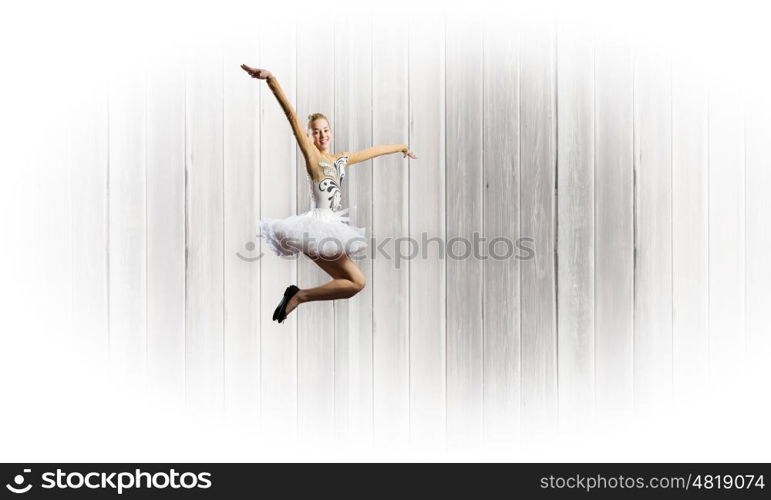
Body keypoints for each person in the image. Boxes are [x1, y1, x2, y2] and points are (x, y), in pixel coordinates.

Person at [240, 64, 417, 323]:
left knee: (351, 283)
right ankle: (298, 297)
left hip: (328, 228)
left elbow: (373, 150)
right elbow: (291, 116)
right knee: (356, 282)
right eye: (316, 131)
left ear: (331, 133)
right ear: (310, 137)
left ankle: (297, 295)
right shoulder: (312, 156)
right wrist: (272, 80)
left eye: (326, 130)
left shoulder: (341, 159)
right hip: (318, 227)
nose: (322, 135)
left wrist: (401, 146)